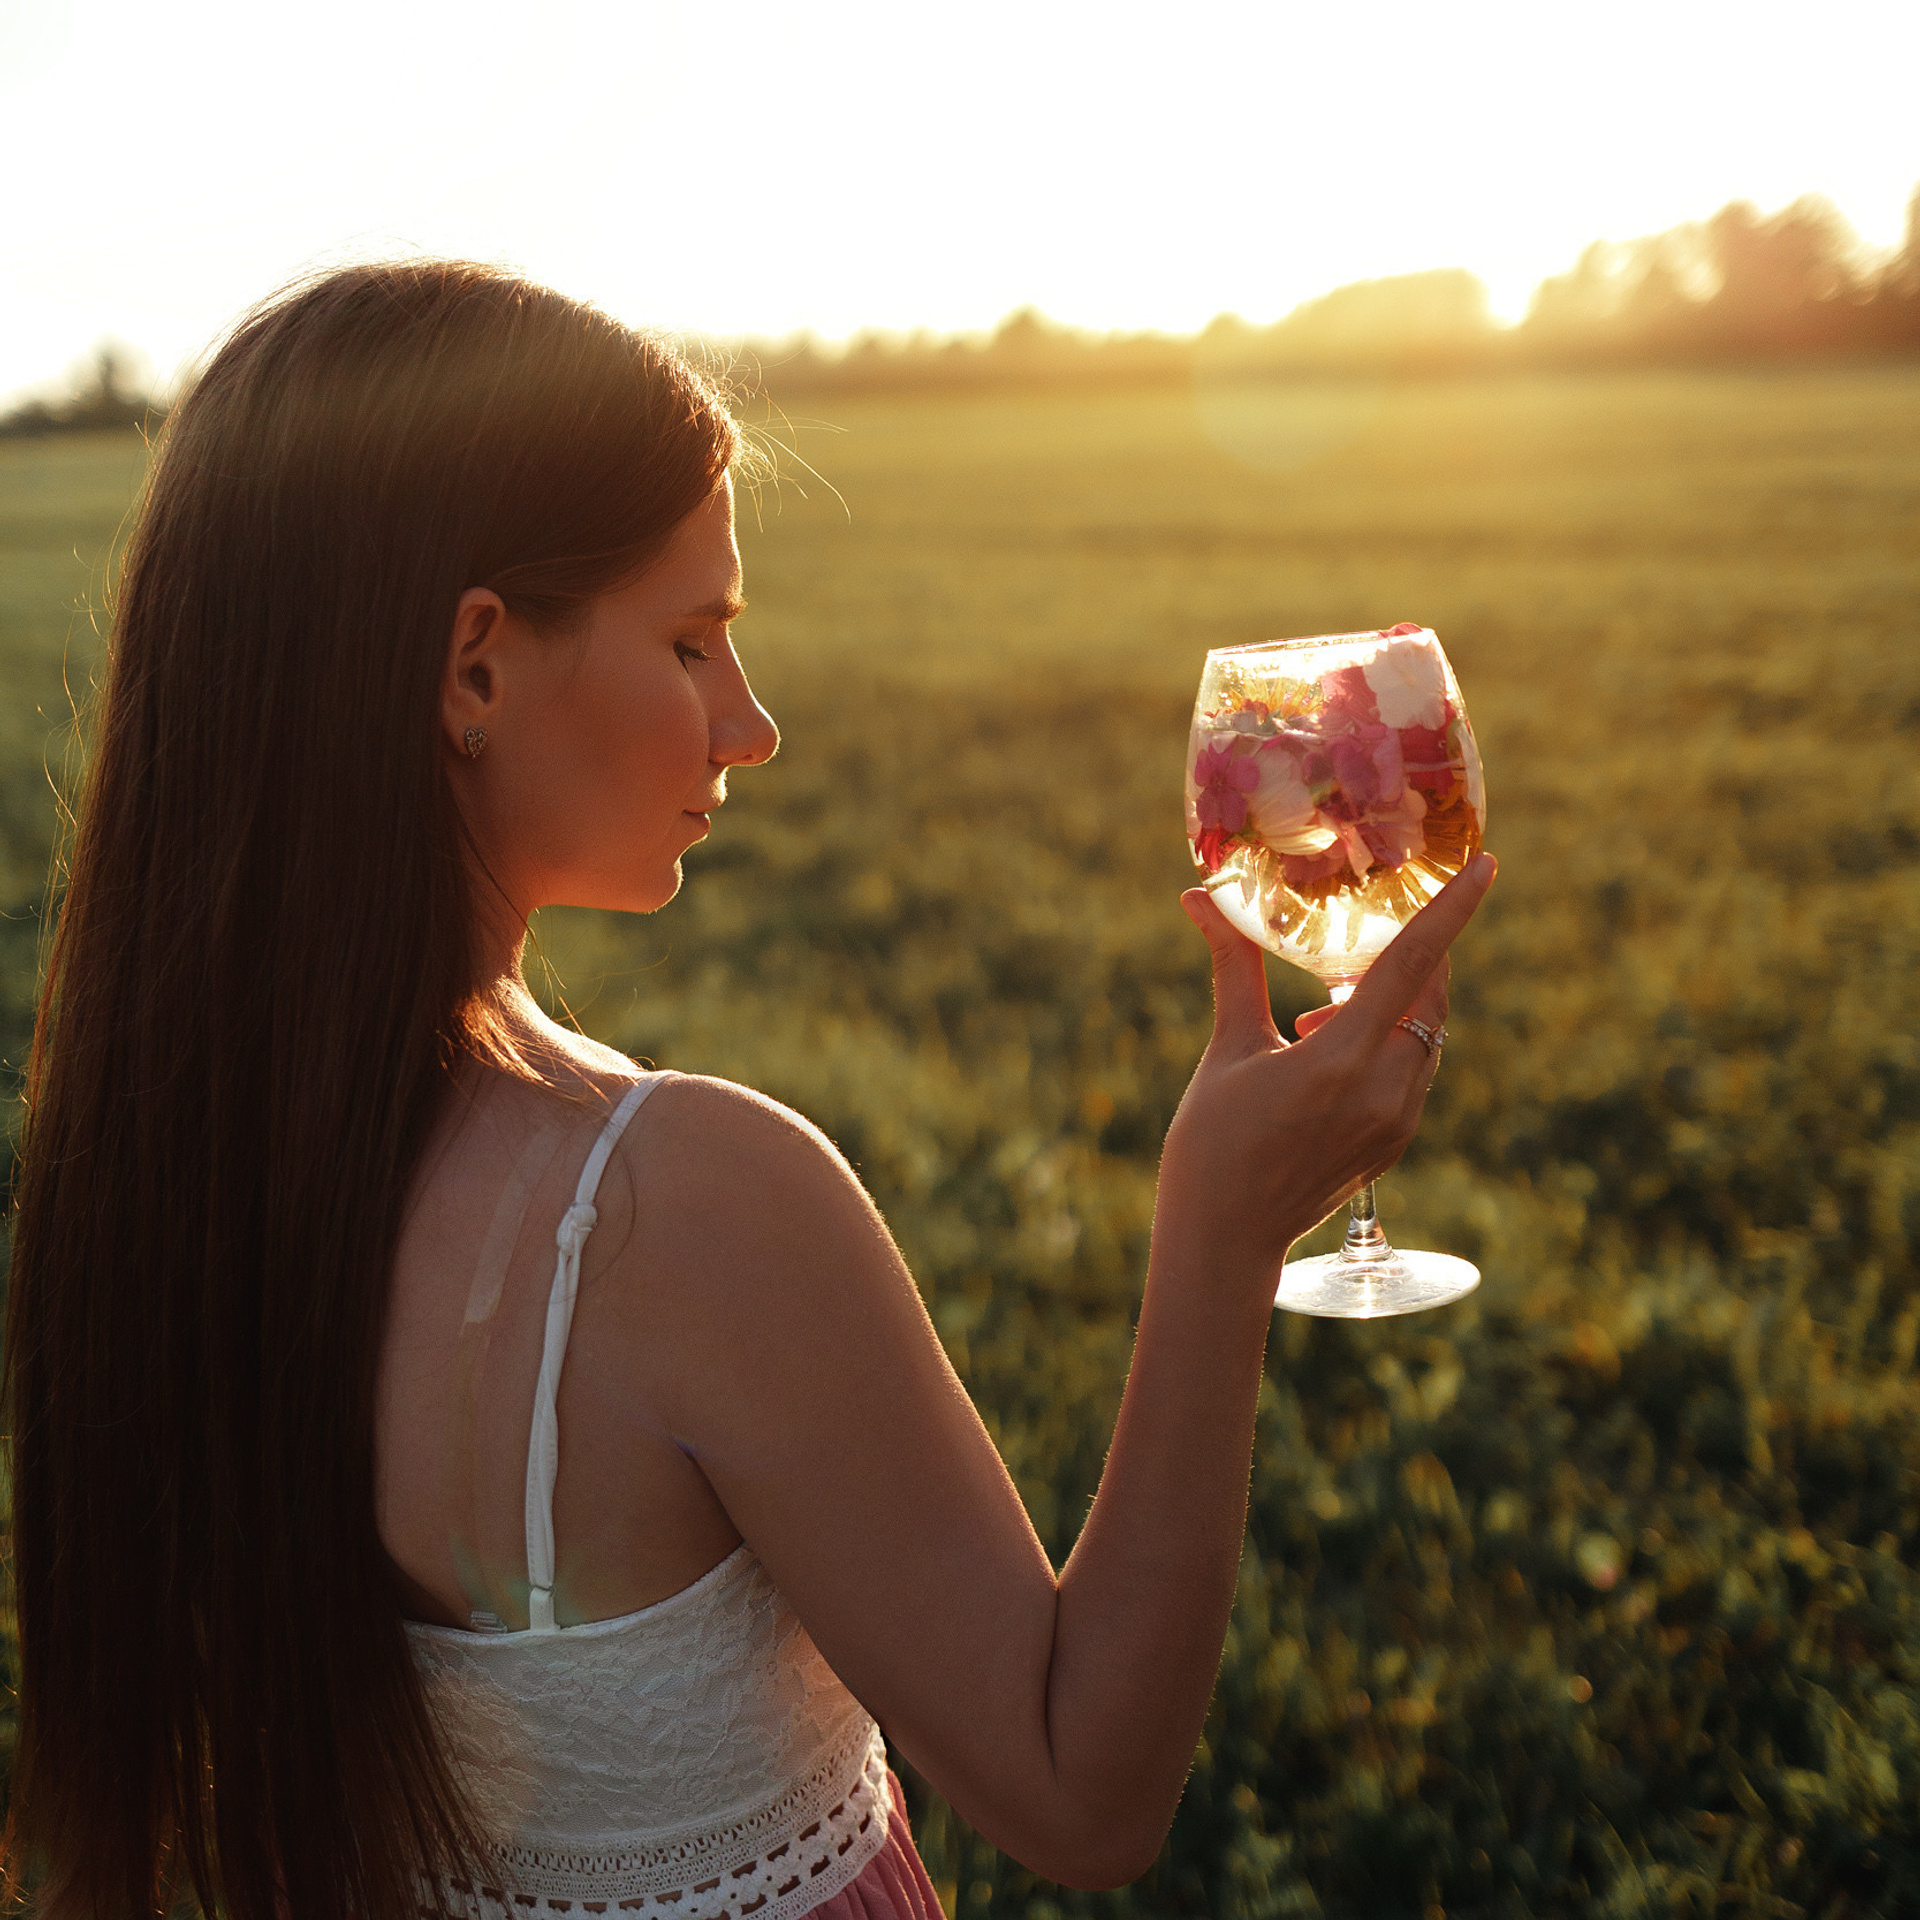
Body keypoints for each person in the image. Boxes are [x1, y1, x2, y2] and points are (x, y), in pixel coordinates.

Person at [2, 261, 1494, 1920]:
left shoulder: (153, 1183)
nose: (754, 723)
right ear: (475, 669)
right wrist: (1220, 1235)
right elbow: (1082, 1794)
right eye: (695, 638)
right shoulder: (675, 1209)